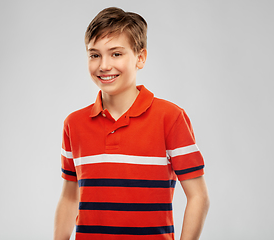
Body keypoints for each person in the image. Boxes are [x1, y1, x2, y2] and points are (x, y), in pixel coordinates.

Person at [54, 7, 209, 240]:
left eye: (116, 54)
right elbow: (69, 197)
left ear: (140, 57)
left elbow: (198, 197)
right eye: (94, 55)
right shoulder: (73, 124)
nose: (104, 65)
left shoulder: (171, 117)